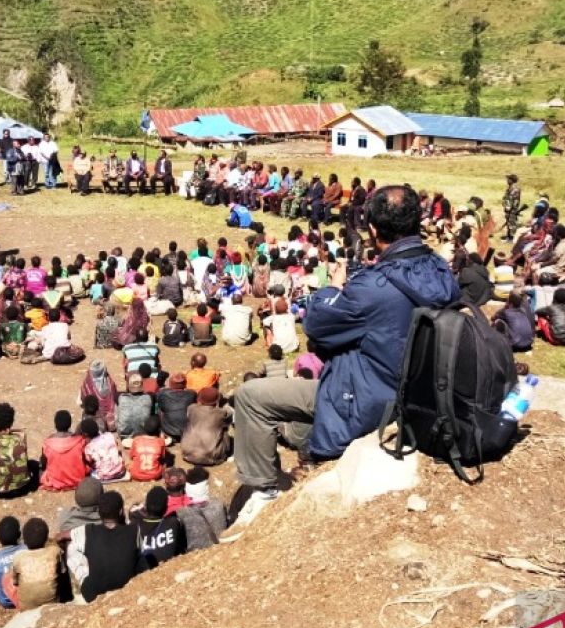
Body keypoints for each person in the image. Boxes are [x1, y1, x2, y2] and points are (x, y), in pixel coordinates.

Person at [232, 186, 459, 494]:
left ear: (374, 229)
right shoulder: (440, 271)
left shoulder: (373, 287)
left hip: (369, 400)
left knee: (251, 396)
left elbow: (315, 324)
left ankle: (263, 488)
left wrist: (334, 289)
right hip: (417, 393)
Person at [64, 490, 140, 602]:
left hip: (92, 594)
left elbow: (61, 536)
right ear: (120, 512)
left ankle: (84, 577)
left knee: (71, 547)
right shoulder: (134, 530)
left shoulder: (88, 531)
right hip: (126, 589)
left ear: (99, 513)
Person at [4, 517, 65, 611]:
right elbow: (63, 572)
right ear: (46, 538)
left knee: (5, 578)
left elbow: (15, 582)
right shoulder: (55, 551)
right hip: (52, 601)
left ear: (24, 540)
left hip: (26, 606)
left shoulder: (18, 556)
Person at [130, 486, 186, 570]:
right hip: (169, 569)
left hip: (142, 572)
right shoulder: (173, 523)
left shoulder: (134, 527)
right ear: (166, 508)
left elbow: (133, 512)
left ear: (146, 507)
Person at [174, 467, 227, 551]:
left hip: (194, 555)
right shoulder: (219, 505)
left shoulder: (181, 514)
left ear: (187, 489)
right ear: (206, 487)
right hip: (220, 551)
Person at [181, 386, 232, 466]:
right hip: (211, 457)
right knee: (224, 430)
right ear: (217, 400)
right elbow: (229, 417)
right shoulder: (221, 413)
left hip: (187, 453)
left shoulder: (191, 408)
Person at [40, 410, 88, 491]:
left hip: (54, 481)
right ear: (70, 424)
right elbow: (84, 460)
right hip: (77, 479)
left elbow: (43, 464)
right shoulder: (79, 440)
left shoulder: (48, 443)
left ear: (55, 425)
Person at [81, 416, 127, 483]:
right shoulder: (109, 435)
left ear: (85, 434)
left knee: (90, 470)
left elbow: (89, 461)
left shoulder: (89, 448)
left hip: (105, 476)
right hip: (120, 471)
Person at [156, 373, 195, 442]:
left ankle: (162, 433)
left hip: (168, 431)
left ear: (170, 383)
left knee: (159, 407)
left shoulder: (162, 393)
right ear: (185, 383)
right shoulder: (192, 394)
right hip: (186, 431)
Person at [129, 415, 167, 482]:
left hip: (135, 474)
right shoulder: (161, 442)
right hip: (155, 475)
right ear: (159, 430)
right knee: (165, 462)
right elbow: (162, 458)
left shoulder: (136, 440)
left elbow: (131, 456)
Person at [502, 174, 523, 242]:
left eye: (508, 179)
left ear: (512, 180)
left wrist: (510, 208)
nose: (507, 180)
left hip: (512, 209)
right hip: (508, 209)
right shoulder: (510, 188)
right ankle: (509, 237)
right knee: (509, 223)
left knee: (512, 223)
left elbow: (514, 200)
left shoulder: (515, 189)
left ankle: (512, 238)